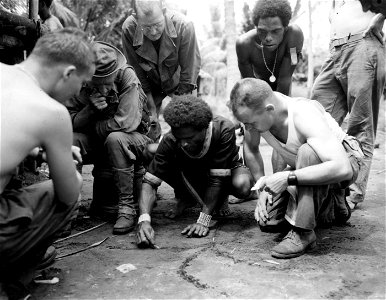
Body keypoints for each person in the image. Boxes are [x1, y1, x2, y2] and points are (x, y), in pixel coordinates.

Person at [0, 28, 95, 299]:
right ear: (68, 73)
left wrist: (34, 151)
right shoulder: (52, 112)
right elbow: (67, 194)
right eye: (81, 84)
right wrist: (61, 155)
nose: (78, 92)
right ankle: (12, 282)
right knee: (68, 196)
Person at [229, 78, 364, 259]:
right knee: (269, 221)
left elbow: (342, 168)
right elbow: (251, 149)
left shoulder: (302, 114)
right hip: (303, 166)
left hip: (345, 160)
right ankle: (332, 204)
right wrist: (262, 188)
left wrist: (287, 178)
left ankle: (303, 232)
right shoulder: (256, 114)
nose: (248, 128)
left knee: (307, 152)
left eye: (251, 123)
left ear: (270, 110)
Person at [135, 96, 256, 248]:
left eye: (189, 138)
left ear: (204, 128)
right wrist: (144, 220)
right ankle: (187, 196)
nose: (184, 143)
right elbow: (149, 183)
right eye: (179, 138)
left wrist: (203, 220)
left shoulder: (224, 128)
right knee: (151, 151)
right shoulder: (171, 139)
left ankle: (243, 195)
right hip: (194, 169)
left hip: (224, 171)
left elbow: (217, 179)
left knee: (242, 185)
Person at [66, 41, 152, 235]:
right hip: (100, 142)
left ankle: (127, 208)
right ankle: (67, 213)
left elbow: (126, 123)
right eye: (98, 84)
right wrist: (89, 110)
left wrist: (93, 126)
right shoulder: (77, 80)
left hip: (133, 140)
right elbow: (66, 122)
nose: (105, 90)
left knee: (116, 138)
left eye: (108, 83)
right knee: (71, 140)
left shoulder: (127, 76)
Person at [311, 0, 385, 209]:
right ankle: (327, 184)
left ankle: (353, 194)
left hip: (363, 43)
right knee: (318, 115)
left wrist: (380, 17)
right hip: (335, 50)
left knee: (360, 124)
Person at [121, 0, 201, 141]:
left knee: (188, 125)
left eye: (157, 24)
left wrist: (181, 106)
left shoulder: (184, 26)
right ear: (136, 19)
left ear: (164, 13)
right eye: (146, 27)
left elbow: (189, 71)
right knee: (147, 127)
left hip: (178, 82)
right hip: (148, 84)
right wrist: (151, 109)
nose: (153, 32)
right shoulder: (129, 28)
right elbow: (136, 72)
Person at [236, 0, 304, 96]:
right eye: (262, 31)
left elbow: (285, 78)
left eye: (275, 31)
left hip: (284, 89)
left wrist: (279, 107)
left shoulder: (294, 35)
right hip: (255, 89)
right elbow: (250, 84)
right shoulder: (244, 45)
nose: (268, 38)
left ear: (285, 28)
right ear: (256, 27)